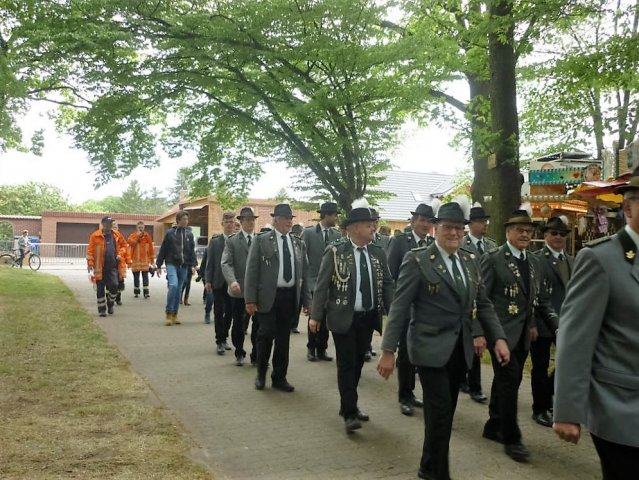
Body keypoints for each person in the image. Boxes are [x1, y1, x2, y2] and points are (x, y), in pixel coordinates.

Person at [377, 200, 510, 480]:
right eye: (448, 227)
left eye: (459, 229)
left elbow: (482, 304)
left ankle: (428, 464)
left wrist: (497, 337)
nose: (454, 233)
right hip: (428, 349)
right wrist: (388, 350)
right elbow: (400, 308)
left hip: (458, 350)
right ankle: (439, 473)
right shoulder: (418, 260)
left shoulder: (469, 261)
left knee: (445, 414)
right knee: (439, 414)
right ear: (436, 228)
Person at [554, 168, 639, 479]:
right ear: (628, 208)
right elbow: (575, 339)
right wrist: (567, 411)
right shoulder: (601, 258)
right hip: (622, 410)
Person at [480, 206, 558, 462]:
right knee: (511, 381)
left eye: (529, 231)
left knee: (507, 381)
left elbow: (538, 299)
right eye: (520, 230)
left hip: (525, 334)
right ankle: (512, 439)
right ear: (508, 232)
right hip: (500, 333)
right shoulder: (493, 258)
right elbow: (481, 299)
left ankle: (493, 425)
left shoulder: (534, 261)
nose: (526, 234)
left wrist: (549, 324)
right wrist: (481, 333)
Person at [310, 198, 394, 434]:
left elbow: (387, 284)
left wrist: (396, 313)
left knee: (358, 362)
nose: (374, 228)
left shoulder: (378, 252)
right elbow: (322, 285)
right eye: (369, 225)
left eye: (374, 224)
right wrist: (315, 316)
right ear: (355, 227)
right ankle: (349, 412)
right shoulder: (336, 251)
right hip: (342, 317)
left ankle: (350, 404)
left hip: (367, 318)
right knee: (346, 364)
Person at [244, 203, 310, 392]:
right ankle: (261, 373)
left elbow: (303, 274)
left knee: (284, 339)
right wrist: (250, 299)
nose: (289, 221)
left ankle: (279, 377)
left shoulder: (298, 243)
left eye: (291, 218)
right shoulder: (262, 240)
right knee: (266, 335)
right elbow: (252, 271)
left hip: (289, 297)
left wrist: (307, 301)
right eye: (285, 218)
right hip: (267, 296)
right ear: (275, 220)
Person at [386, 203, 436, 417]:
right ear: (413, 221)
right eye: (422, 220)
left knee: (423, 352)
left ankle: (417, 394)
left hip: (427, 310)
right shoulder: (399, 242)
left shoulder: (434, 244)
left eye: (429, 221)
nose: (425, 224)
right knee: (406, 354)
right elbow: (391, 275)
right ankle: (405, 395)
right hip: (406, 308)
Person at [531, 216, 573, 427]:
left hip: (567, 322)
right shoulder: (537, 259)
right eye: (554, 233)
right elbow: (537, 295)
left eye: (562, 234)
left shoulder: (572, 260)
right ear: (545, 235)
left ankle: (549, 397)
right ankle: (539, 408)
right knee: (540, 366)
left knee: (568, 363)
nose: (558, 237)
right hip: (542, 323)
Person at [459, 203, 497, 403]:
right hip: (469, 297)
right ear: (471, 224)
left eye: (485, 221)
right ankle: (473, 385)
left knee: (483, 342)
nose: (485, 225)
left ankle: (471, 383)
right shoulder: (462, 244)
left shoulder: (491, 245)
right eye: (481, 222)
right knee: (472, 342)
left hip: (487, 299)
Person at [302, 201, 341, 361]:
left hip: (330, 284)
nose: (336, 218)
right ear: (326, 215)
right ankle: (311, 348)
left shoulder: (337, 235)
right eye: (334, 215)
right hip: (312, 281)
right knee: (314, 316)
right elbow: (303, 258)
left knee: (326, 318)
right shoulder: (309, 233)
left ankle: (322, 349)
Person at [221, 207, 259, 366]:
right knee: (239, 324)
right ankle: (239, 352)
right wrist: (232, 281)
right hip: (238, 291)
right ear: (241, 222)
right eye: (248, 220)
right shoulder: (232, 241)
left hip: (258, 291)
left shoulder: (261, 240)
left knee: (259, 325)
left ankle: (257, 354)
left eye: (253, 220)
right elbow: (226, 263)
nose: (251, 222)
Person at [155, 210, 197, 326]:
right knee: (173, 286)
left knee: (179, 290)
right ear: (178, 220)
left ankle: (175, 314)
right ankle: (168, 313)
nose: (186, 221)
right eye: (184, 219)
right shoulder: (170, 233)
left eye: (187, 219)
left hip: (184, 266)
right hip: (171, 263)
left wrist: (193, 265)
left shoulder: (189, 234)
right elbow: (163, 249)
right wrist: (158, 265)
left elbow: (191, 251)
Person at [205, 212, 235, 354]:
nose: (230, 224)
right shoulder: (215, 241)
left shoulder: (236, 240)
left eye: (232, 221)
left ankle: (225, 338)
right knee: (218, 312)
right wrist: (208, 280)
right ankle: (219, 341)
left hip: (233, 283)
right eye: (227, 221)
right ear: (222, 223)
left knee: (230, 312)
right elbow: (210, 262)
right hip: (218, 282)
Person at [87, 217, 122, 317]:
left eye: (111, 223)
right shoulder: (95, 235)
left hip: (113, 267)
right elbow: (90, 251)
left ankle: (110, 303)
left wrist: (120, 254)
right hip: (99, 267)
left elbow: (123, 246)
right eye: (108, 223)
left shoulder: (116, 235)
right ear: (103, 224)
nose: (110, 225)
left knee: (115, 285)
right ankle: (102, 310)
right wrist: (90, 264)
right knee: (100, 289)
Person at [127, 221, 155, 299]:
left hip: (145, 261)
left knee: (145, 277)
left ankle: (146, 293)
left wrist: (152, 261)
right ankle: (136, 292)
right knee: (136, 277)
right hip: (135, 261)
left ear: (144, 228)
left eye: (142, 228)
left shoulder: (147, 236)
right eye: (139, 227)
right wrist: (137, 236)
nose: (141, 229)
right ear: (137, 228)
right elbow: (130, 242)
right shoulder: (133, 235)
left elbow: (151, 249)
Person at [111, 220, 131, 306]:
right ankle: (111, 298)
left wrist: (128, 261)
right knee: (112, 282)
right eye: (113, 227)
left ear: (118, 228)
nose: (114, 228)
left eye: (116, 227)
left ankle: (118, 298)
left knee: (120, 281)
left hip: (120, 262)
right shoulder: (108, 236)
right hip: (111, 262)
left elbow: (125, 248)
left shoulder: (120, 237)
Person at [180, 225, 196, 306]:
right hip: (184, 264)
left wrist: (193, 265)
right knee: (185, 281)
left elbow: (193, 253)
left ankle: (186, 299)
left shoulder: (190, 239)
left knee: (188, 283)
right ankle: (180, 297)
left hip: (189, 264)